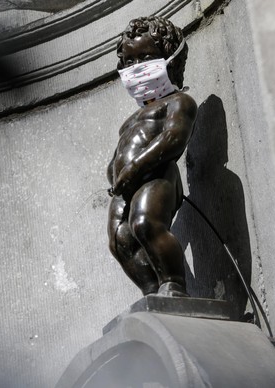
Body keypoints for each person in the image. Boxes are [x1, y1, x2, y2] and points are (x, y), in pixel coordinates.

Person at [107, 16, 197, 297]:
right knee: (120, 239)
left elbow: (173, 139)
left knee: (145, 224)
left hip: (158, 175)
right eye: (130, 62)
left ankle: (173, 284)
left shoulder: (179, 102)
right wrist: (114, 172)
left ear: (169, 60)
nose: (137, 68)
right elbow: (118, 154)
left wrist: (133, 168)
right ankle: (152, 292)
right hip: (124, 186)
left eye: (145, 58)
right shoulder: (129, 120)